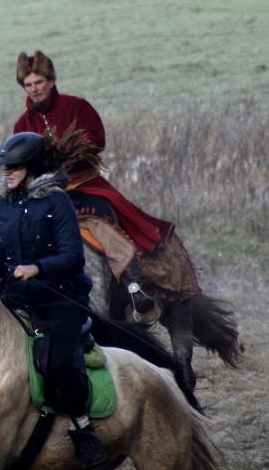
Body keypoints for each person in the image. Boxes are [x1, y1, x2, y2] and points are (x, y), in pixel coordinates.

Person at [14, 50, 189, 315]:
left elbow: (97, 138)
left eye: (38, 82)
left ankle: (134, 286)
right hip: (45, 194)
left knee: (106, 222)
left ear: (51, 81)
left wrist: (68, 151)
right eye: (28, 85)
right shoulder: (22, 125)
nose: (34, 89)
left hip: (85, 186)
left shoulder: (76, 107)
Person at [0, 132, 108, 470]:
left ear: (30, 167)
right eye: (4, 167)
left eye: (12, 167)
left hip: (62, 298)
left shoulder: (57, 201)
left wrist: (37, 268)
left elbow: (74, 257)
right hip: (15, 300)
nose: (5, 172)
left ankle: (83, 429)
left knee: (56, 362)